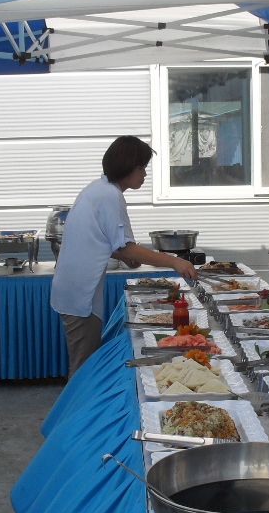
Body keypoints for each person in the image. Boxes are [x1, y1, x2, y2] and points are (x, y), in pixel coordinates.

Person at [50, 136, 197, 376]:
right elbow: (128, 247)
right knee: (83, 370)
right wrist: (174, 261)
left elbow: (99, 239)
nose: (145, 174)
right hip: (80, 291)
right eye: (142, 168)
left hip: (75, 287)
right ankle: (79, 401)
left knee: (85, 364)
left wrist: (120, 254)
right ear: (126, 166)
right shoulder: (109, 195)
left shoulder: (99, 189)